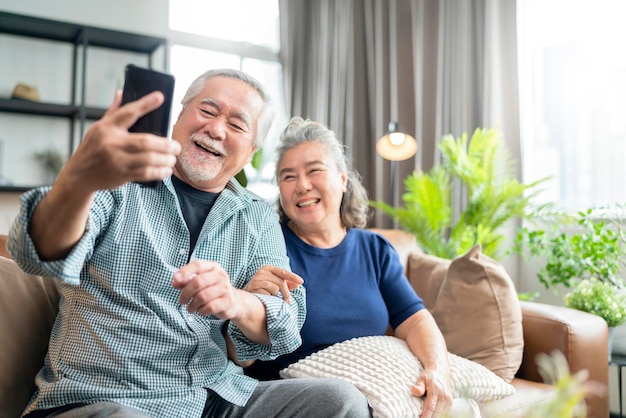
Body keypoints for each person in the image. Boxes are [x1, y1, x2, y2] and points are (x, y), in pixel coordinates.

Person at [7, 70, 371, 418]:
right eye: (207, 111)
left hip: (215, 398)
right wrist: (80, 180)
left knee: (339, 402)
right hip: (104, 398)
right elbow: (37, 251)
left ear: (251, 152)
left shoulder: (257, 216)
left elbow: (286, 322)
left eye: (237, 124)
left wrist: (236, 300)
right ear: (179, 117)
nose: (215, 129)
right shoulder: (119, 178)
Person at [243, 117, 454, 418]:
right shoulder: (268, 247)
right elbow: (242, 351)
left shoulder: (374, 250)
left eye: (314, 170)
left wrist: (437, 370)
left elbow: (416, 320)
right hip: (295, 400)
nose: (302, 185)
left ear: (342, 179)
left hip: (369, 397)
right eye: (288, 177)